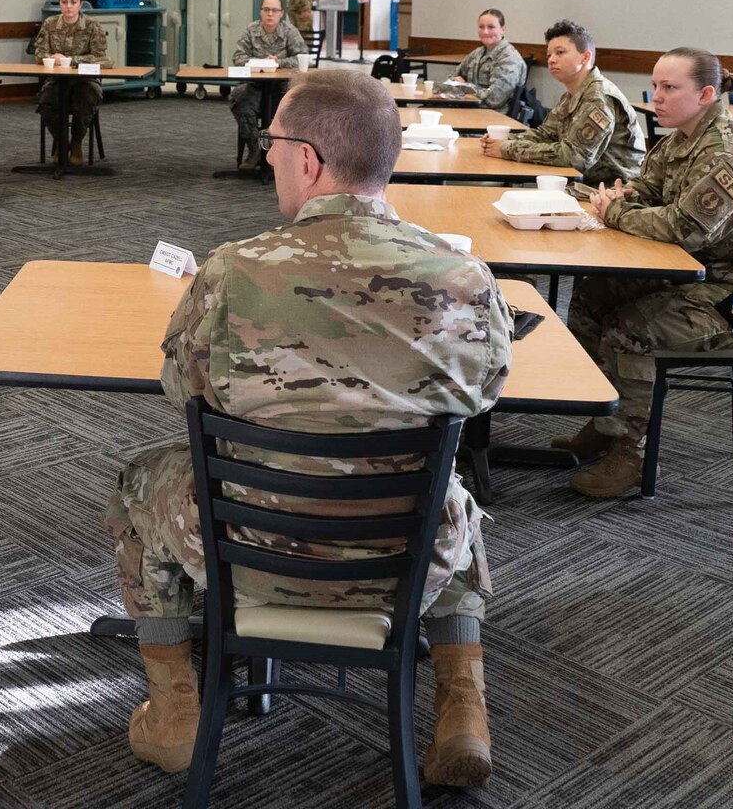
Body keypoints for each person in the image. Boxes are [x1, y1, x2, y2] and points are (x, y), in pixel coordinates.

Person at [105, 70, 511, 787]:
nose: (266, 157)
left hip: (249, 549)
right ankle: (462, 707)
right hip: (402, 558)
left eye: (273, 144)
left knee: (139, 481)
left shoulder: (233, 272)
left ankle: (175, 714)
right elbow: (483, 397)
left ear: (310, 161)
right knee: (451, 498)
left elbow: (182, 388)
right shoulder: (464, 278)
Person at [564, 48, 733, 497]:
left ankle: (631, 452)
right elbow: (648, 191)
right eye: (655, 86)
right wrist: (623, 198)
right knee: (594, 295)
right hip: (696, 275)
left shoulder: (728, 152)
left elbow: (684, 228)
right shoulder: (680, 139)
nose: (657, 97)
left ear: (706, 94)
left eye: (670, 88)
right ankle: (605, 420)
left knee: (631, 328)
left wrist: (616, 213)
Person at [482, 19, 644, 184]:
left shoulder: (598, 98)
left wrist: (506, 149)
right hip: (581, 182)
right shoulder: (572, 93)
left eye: (560, 52)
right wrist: (506, 140)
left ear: (585, 57)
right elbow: (546, 134)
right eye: (549, 55)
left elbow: (573, 157)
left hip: (612, 191)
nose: (551, 60)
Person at [29, 0, 110, 167]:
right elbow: (39, 55)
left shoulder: (92, 25)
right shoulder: (50, 24)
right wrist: (51, 57)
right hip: (57, 79)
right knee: (46, 100)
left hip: (85, 80)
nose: (69, 7)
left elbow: (102, 59)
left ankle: (76, 143)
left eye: (73, 2)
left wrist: (71, 60)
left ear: (80, 4)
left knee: (87, 97)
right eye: (64, 2)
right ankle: (61, 140)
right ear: (60, 4)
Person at [227, 0, 309, 169]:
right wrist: (259, 63)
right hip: (255, 87)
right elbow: (238, 57)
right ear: (261, 12)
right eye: (266, 10)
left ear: (281, 13)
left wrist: (278, 62)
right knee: (238, 98)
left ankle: (281, 153)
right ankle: (255, 148)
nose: (270, 14)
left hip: (281, 89)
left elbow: (302, 57)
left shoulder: (289, 32)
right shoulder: (251, 30)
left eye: (274, 10)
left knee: (297, 103)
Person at [448, 8, 528, 118]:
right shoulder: (477, 53)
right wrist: (461, 85)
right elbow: (451, 80)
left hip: (493, 118)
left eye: (491, 27)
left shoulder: (509, 58)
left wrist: (465, 86)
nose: (485, 31)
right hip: (469, 110)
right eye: (481, 27)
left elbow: (494, 98)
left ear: (503, 29)